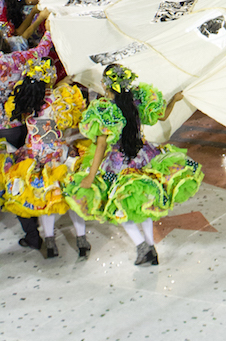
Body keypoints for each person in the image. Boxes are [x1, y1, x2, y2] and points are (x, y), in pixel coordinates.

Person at [64, 64, 202, 266]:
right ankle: (149, 247)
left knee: (119, 208)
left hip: (118, 165)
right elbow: (162, 115)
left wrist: (90, 176)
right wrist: (174, 100)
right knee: (142, 204)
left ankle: (142, 247)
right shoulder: (138, 99)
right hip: (144, 156)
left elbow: (101, 146)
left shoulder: (104, 110)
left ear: (105, 84)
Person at [0, 54, 90, 258]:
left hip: (34, 157)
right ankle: (82, 241)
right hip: (60, 155)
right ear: (50, 78)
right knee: (72, 199)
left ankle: (50, 244)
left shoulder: (24, 101)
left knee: (46, 200)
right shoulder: (61, 98)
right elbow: (72, 122)